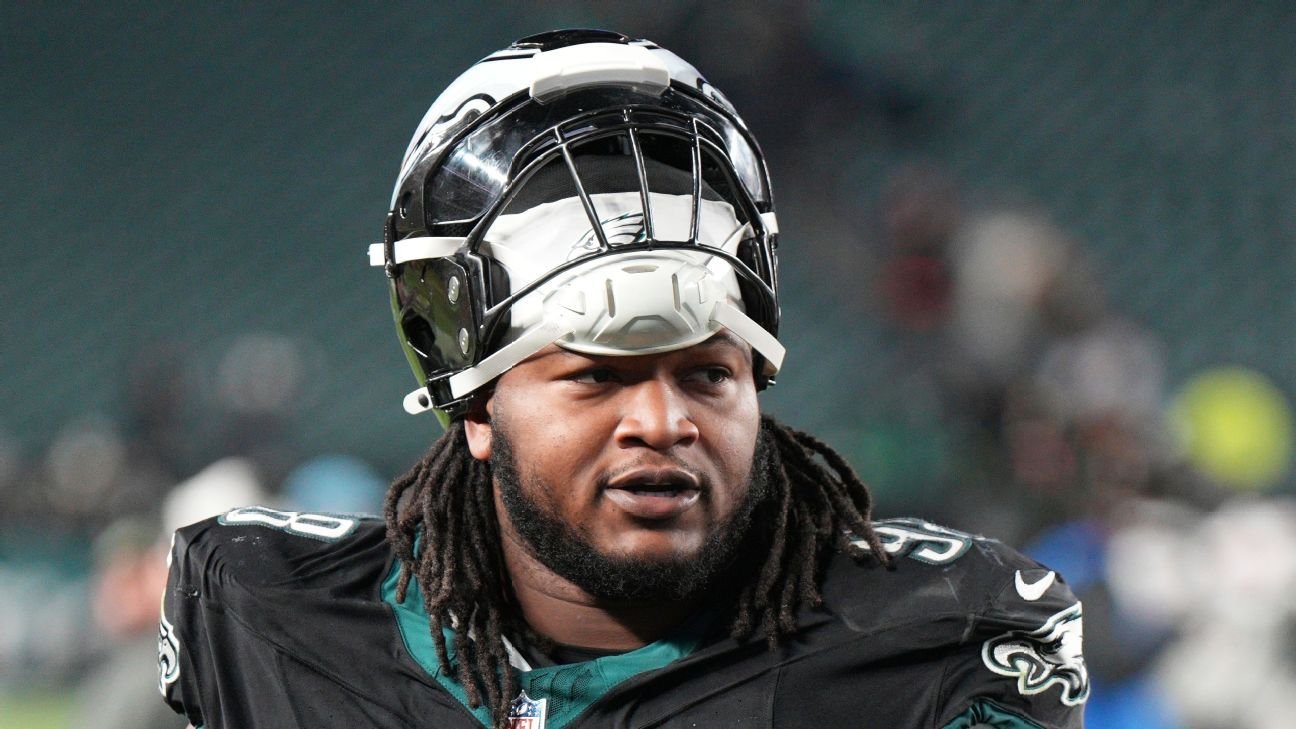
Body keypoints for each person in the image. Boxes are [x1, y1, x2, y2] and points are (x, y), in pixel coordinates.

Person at [159, 29, 1088, 728]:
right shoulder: (261, 608)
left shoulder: (934, 645)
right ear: (477, 403)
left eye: (708, 373)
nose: (662, 419)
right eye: (598, 377)